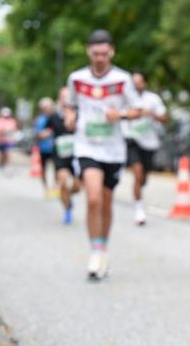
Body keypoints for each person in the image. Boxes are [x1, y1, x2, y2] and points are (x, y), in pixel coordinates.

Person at [64, 29, 142, 280]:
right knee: (94, 197)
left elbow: (137, 110)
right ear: (89, 52)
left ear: (111, 52)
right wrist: (69, 116)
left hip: (113, 149)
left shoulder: (122, 79)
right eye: (95, 53)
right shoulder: (76, 78)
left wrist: (119, 115)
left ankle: (103, 247)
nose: (99, 58)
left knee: (106, 201)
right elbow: (71, 104)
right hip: (86, 146)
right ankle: (95, 252)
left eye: (104, 53)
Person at [125, 72, 168, 225]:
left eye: (139, 82)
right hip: (132, 140)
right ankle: (139, 211)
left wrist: (152, 115)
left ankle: (138, 190)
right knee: (137, 173)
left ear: (144, 83)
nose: (136, 85)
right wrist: (133, 114)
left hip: (149, 142)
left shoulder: (153, 99)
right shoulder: (125, 98)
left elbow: (165, 118)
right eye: (134, 82)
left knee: (143, 178)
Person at [48, 87, 80, 224]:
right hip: (60, 154)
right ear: (59, 100)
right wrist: (44, 134)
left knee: (77, 187)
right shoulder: (54, 116)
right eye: (63, 98)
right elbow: (47, 129)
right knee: (62, 182)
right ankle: (67, 209)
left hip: (77, 154)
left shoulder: (80, 114)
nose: (65, 100)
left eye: (68, 97)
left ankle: (69, 197)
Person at [34, 97, 57, 196]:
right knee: (44, 169)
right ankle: (46, 188)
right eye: (45, 107)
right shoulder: (40, 119)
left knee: (57, 168)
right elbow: (38, 134)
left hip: (55, 147)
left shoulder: (56, 117)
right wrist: (46, 133)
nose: (47, 109)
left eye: (48, 107)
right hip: (44, 148)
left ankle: (55, 188)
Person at [0, 107, 19, 172]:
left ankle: (7, 165)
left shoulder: (12, 121)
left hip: (9, 140)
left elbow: (14, 130)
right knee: (2, 153)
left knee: (8, 152)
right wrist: (2, 131)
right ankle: (1, 164)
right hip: (1, 140)